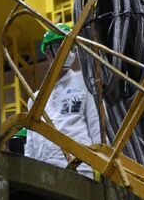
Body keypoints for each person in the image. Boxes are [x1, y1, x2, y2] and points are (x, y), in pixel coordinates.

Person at [23, 22, 104, 175]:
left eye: (72, 48)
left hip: (80, 170)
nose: (69, 53)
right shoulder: (36, 98)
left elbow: (97, 128)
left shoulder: (86, 83)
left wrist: (101, 170)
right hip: (43, 174)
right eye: (60, 46)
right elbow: (31, 144)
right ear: (48, 53)